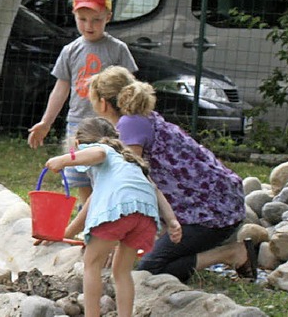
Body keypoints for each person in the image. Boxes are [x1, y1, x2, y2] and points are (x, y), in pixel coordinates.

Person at [86, 65, 253, 282]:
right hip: (217, 204)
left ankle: (232, 253)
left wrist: (108, 238)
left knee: (150, 269)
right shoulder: (140, 116)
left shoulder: (130, 126)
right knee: (148, 261)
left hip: (212, 215)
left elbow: (128, 187)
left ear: (103, 103)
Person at [28, 0, 138, 207]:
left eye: (96, 19)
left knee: (106, 170)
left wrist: (128, 120)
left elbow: (130, 88)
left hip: (109, 125)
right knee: (79, 174)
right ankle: (86, 216)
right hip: (78, 124)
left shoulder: (118, 49)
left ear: (108, 16)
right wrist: (46, 122)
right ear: (74, 16)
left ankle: (105, 214)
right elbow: (61, 89)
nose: (89, 26)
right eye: (83, 19)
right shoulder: (70, 50)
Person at [45, 117, 160, 317]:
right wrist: (65, 233)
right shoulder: (127, 161)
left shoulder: (103, 150)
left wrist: (63, 160)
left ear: (79, 144)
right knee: (122, 271)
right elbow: (153, 189)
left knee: (92, 264)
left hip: (120, 210)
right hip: (145, 214)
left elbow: (98, 152)